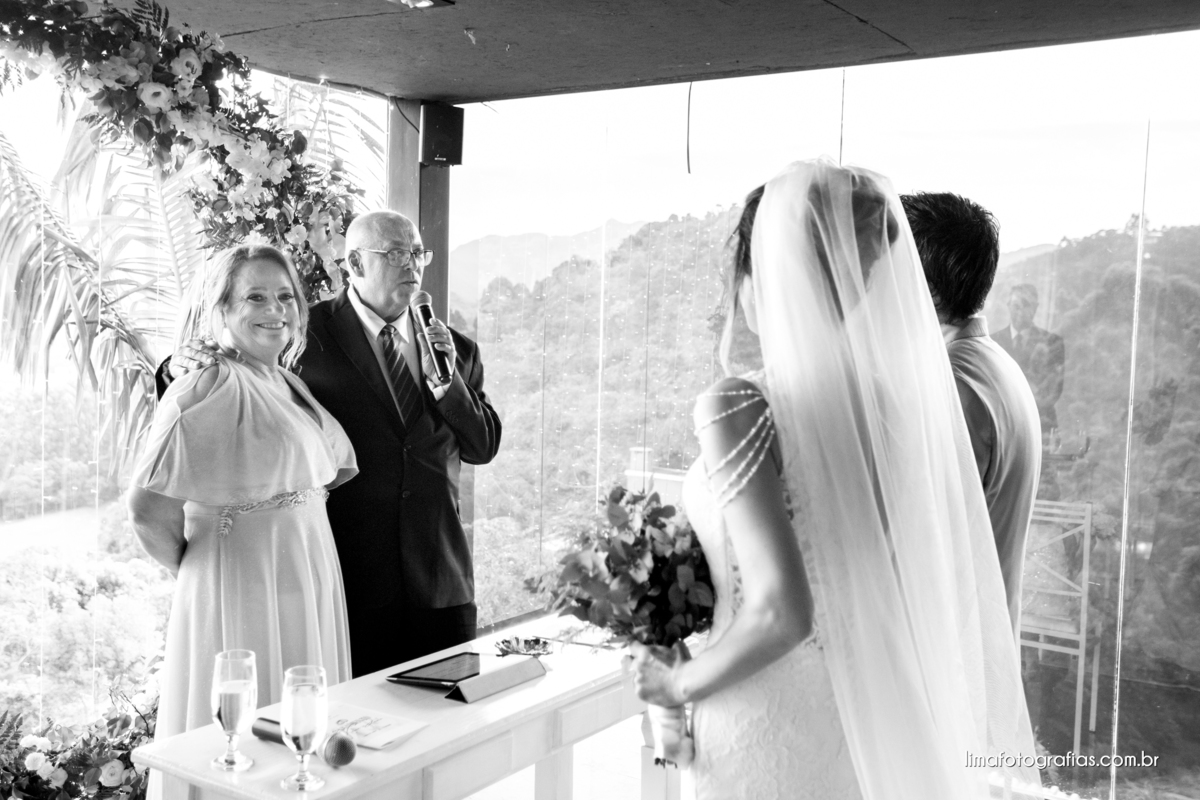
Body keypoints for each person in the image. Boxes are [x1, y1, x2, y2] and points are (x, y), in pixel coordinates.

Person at [632, 161, 1039, 799]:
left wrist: (675, 683)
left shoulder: (738, 405)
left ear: (763, 274)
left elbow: (782, 612)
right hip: (862, 718)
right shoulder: (892, 410)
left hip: (762, 717)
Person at [163, 211, 502, 676]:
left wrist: (449, 388)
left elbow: (483, 446)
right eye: (396, 253)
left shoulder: (456, 348)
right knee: (354, 718)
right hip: (348, 581)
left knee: (452, 711)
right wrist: (177, 367)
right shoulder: (302, 333)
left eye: (417, 253)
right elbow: (236, 369)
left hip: (442, 583)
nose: (412, 265)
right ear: (355, 263)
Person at [129, 244, 357, 738]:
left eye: (285, 296)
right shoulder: (207, 385)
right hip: (240, 585)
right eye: (255, 297)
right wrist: (205, 570)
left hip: (305, 576)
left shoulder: (286, 381)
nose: (275, 309)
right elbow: (147, 509)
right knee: (241, 740)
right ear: (222, 309)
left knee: (300, 734)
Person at [902, 191, 1042, 635]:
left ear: (928, 290)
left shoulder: (953, 386)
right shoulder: (997, 365)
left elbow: (920, 549)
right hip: (984, 639)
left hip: (954, 649)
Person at [993, 283, 1065, 437]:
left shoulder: (1052, 342)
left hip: (1039, 424)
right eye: (1016, 306)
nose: (1020, 311)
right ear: (1008, 306)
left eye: (1026, 305)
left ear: (1035, 308)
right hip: (1001, 425)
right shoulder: (993, 342)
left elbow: (1053, 391)